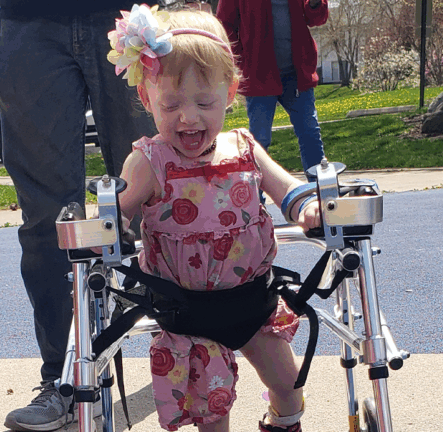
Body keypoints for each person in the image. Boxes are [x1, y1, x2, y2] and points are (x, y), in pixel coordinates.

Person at [108, 6, 322, 431]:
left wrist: (306, 207)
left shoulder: (243, 146)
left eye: (204, 101)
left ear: (230, 92)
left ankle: (281, 424)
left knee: (289, 382)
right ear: (147, 98)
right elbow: (118, 215)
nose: (188, 117)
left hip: (252, 300)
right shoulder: (149, 160)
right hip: (188, 313)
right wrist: (102, 229)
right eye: (171, 104)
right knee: (211, 413)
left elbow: (285, 188)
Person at [0, 0, 158, 430]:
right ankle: (63, 378)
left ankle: (186, 342)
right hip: (28, 24)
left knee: (158, 189)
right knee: (47, 218)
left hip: (124, 17)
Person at [216, 0, 329, 177]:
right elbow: (224, 25)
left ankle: (321, 194)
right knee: (259, 142)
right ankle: (255, 200)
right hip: (259, 76)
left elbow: (317, 18)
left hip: (297, 75)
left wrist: (315, 3)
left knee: (310, 134)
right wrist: (241, 60)